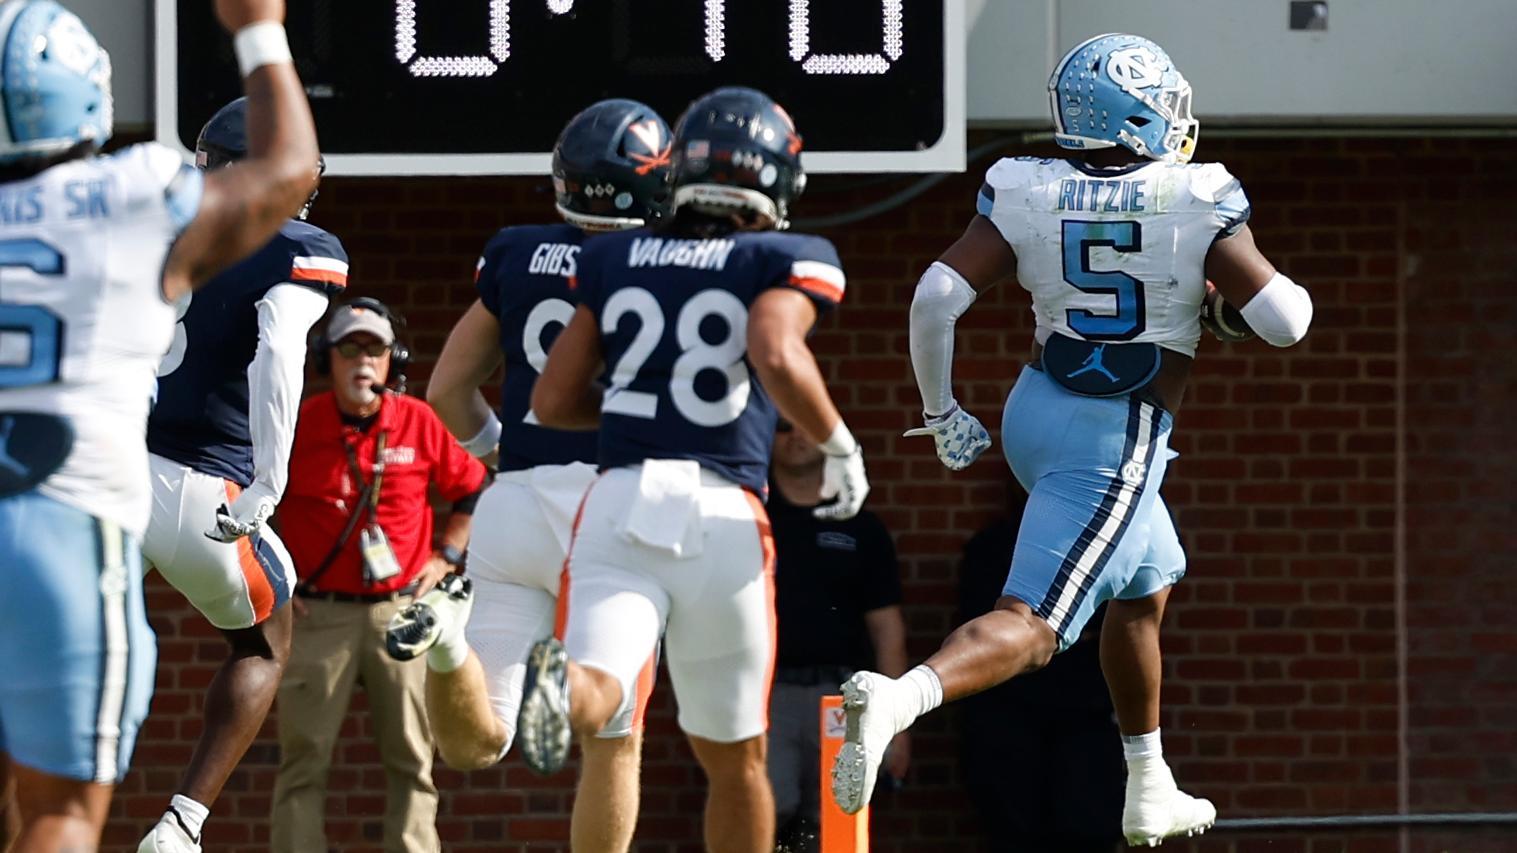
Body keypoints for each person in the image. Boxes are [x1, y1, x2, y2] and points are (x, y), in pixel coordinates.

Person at [830, 33, 1314, 848]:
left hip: (1035, 410)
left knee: (1143, 587)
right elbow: (1284, 322)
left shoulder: (1025, 186)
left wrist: (942, 410)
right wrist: (1212, 295)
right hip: (1117, 428)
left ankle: (1148, 783)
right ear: (1135, 114)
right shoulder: (1196, 194)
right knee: (1035, 625)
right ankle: (901, 696)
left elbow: (936, 294)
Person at [0, 0, 318, 848]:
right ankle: (182, 823)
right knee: (63, 805)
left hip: (90, 477)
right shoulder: (132, 191)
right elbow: (288, 169)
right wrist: (257, 28)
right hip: (87, 501)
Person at [520, 86, 869, 853]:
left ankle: (560, 686)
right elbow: (776, 350)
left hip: (618, 500)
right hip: (723, 514)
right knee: (736, 754)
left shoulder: (614, 254)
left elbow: (550, 399)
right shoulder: (785, 255)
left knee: (603, 687)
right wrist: (838, 442)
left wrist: (627, 412)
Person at [384, 97, 672, 853]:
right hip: (611, 506)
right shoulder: (662, 261)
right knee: (615, 737)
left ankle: (445, 645)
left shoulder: (514, 251)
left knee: (477, 743)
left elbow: (446, 388)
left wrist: (500, 454)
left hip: (514, 500)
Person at [137, 96, 343, 853]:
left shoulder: (146, 226)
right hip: (202, 487)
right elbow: (278, 353)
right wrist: (268, 481)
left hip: (105, 469)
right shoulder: (295, 242)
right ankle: (181, 823)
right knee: (263, 642)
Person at [269, 300, 487, 853]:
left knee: (414, 760)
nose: (362, 361)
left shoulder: (420, 420)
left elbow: (473, 489)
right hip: (317, 614)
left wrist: (447, 557)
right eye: (349, 349)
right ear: (328, 360)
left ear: (395, 360)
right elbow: (252, 503)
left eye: (375, 349)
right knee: (302, 765)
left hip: (402, 610)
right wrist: (272, 577)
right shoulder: (299, 422)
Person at [957, 486, 1124, 853]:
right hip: (1009, 716)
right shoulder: (994, 547)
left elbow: (1119, 626)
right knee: (1013, 832)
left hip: (1085, 716)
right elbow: (978, 634)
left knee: (1091, 830)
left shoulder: (1101, 545)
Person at [766, 420, 908, 850]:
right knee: (769, 810)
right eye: (782, 427)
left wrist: (898, 724)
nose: (795, 435)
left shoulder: (860, 527)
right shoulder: (752, 520)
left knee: (834, 820)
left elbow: (888, 630)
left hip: (845, 696)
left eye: (805, 424)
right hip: (767, 696)